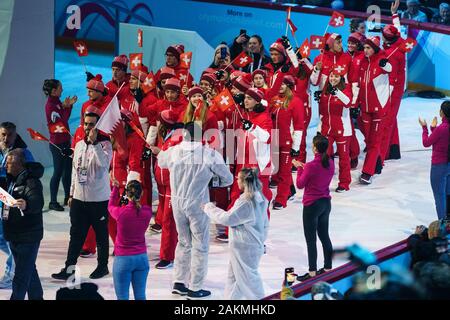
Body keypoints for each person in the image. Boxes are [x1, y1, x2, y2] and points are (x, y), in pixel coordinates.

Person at [151, 122, 233, 299]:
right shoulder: (209, 154)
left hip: (177, 203)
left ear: (184, 135)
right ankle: (195, 287)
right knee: (200, 246)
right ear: (201, 135)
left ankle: (179, 282)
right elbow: (228, 179)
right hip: (198, 204)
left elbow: (161, 161)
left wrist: (159, 151)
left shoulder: (173, 151)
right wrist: (211, 181)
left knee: (183, 242)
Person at [51, 112, 113, 281]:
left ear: (98, 126)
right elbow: (75, 171)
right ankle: (69, 269)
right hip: (79, 199)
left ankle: (102, 267)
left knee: (101, 235)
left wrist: (95, 144)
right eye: (86, 124)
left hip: (98, 199)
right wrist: (71, 193)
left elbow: (104, 165)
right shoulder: (78, 144)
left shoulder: (105, 144)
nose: (88, 127)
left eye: (92, 124)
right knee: (76, 235)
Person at [202, 167, 269, 299]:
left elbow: (227, 219)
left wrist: (208, 207)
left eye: (238, 178)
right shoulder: (260, 197)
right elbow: (265, 224)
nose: (236, 181)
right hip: (251, 245)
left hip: (245, 247)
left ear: (244, 182)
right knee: (235, 279)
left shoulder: (246, 202)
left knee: (249, 280)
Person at [2, 149, 44, 300]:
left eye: (10, 163)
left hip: (28, 236)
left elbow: (38, 202)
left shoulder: (32, 182)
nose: (6, 165)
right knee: (29, 270)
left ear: (20, 165)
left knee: (20, 275)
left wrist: (27, 205)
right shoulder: (9, 180)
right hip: (14, 234)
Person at [292, 134, 334, 282]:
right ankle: (328, 267)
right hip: (325, 203)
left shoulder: (310, 166)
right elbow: (317, 173)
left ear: (315, 148)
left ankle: (312, 272)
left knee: (311, 240)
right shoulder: (330, 162)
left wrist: (299, 168)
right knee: (324, 236)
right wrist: (305, 168)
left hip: (312, 205)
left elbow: (300, 184)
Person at [0, 122, 34, 289]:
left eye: (10, 135)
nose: (6, 138)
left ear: (15, 135)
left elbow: (35, 172)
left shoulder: (23, 152)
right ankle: (21, 262)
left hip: (10, 203)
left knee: (11, 239)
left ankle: (11, 272)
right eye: (3, 134)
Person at [357, 36, 392, 185]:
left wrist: (385, 64)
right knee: (369, 139)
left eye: (368, 48)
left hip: (378, 109)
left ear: (375, 49)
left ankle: (367, 172)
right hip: (365, 108)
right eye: (364, 48)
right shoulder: (363, 63)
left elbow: (389, 68)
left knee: (374, 141)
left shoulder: (381, 60)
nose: (365, 50)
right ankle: (376, 161)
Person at [109, 179, 151, 300]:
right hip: (142, 259)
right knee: (141, 296)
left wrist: (115, 189)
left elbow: (110, 206)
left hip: (123, 260)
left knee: (122, 298)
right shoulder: (147, 212)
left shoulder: (120, 213)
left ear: (127, 194)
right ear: (141, 193)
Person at [43, 79, 76, 212]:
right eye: (60, 88)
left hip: (65, 141)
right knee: (57, 172)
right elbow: (62, 122)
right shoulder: (51, 106)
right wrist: (68, 106)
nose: (62, 90)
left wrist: (67, 106)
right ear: (53, 91)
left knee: (67, 170)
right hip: (57, 144)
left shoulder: (56, 102)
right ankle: (52, 201)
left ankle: (67, 196)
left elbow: (63, 117)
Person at [318, 66, 353, 192]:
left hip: (342, 130)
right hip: (327, 128)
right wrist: (319, 128)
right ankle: (322, 182)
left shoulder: (346, 88)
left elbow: (348, 102)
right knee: (323, 156)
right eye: (331, 76)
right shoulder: (325, 90)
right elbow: (322, 112)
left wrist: (337, 92)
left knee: (343, 158)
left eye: (336, 76)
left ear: (341, 78)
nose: (333, 78)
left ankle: (344, 183)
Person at [420, 100, 450, 219]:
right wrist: (434, 129)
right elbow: (443, 139)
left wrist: (425, 128)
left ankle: (442, 223)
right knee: (448, 193)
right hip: (448, 165)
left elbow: (426, 143)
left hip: (439, 166)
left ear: (442, 112)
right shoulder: (442, 129)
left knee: (439, 196)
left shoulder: (441, 129)